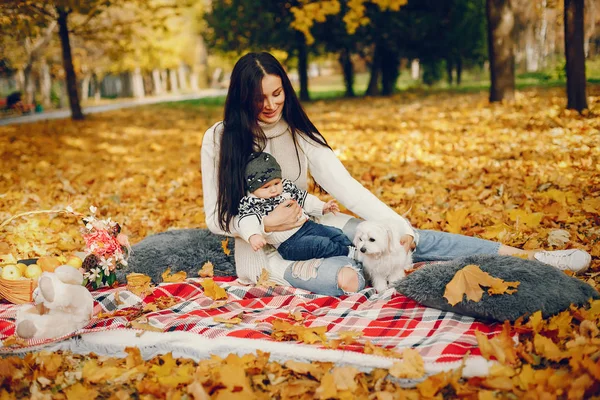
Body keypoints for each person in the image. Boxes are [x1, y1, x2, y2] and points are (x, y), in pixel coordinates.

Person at [201, 52, 591, 297]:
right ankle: (361, 275)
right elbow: (215, 217)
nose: (270, 105)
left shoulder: (300, 134)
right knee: (347, 275)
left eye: (277, 93)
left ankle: (536, 259)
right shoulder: (219, 140)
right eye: (259, 98)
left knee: (406, 241)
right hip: (268, 251)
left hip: (319, 225)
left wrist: (398, 226)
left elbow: (346, 188)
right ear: (241, 96)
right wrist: (266, 223)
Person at [238, 151, 357, 261]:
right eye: (266, 187)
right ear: (253, 189)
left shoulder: (286, 187)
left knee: (335, 233)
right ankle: (350, 255)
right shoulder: (253, 202)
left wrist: (322, 207)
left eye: (276, 183)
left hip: (307, 226)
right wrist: (253, 235)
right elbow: (247, 221)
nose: (274, 189)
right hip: (289, 243)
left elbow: (304, 198)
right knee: (320, 244)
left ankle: (354, 251)